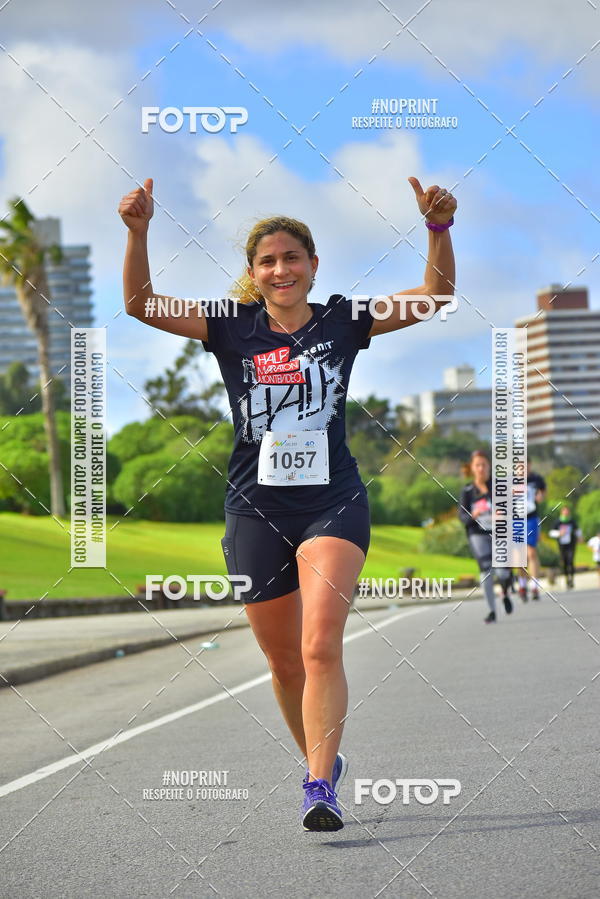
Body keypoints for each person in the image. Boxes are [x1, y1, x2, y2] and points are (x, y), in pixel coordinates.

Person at [118, 175, 457, 831]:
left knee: (319, 646)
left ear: (312, 266)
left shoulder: (343, 320)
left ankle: (317, 787)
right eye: (268, 260)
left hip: (333, 502)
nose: (281, 268)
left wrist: (438, 229)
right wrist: (138, 232)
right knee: (281, 663)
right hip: (254, 509)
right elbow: (138, 302)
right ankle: (323, 763)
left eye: (292, 257)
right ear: (253, 272)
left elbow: (435, 296)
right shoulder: (229, 327)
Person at [458, 449, 514, 623]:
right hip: (477, 532)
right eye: (477, 465)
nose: (481, 468)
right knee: (486, 569)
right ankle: (492, 611)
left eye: (484, 464)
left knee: (503, 572)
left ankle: (505, 591)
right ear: (472, 468)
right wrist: (473, 514)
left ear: (489, 466)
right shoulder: (467, 491)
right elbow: (462, 517)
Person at [517, 459, 546, 601]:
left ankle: (535, 586)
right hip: (516, 519)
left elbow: (542, 495)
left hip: (531, 518)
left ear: (530, 465)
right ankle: (522, 585)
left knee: (531, 553)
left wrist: (540, 497)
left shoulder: (537, 479)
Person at [548, 505, 582, 589]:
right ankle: (567, 580)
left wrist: (580, 537)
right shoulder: (558, 522)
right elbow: (551, 533)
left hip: (571, 544)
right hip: (562, 545)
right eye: (564, 511)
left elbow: (577, 530)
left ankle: (571, 580)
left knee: (571, 561)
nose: (566, 513)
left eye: (567, 511)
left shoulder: (572, 521)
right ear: (562, 512)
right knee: (565, 562)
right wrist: (559, 533)